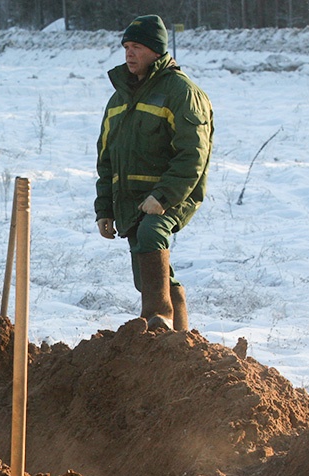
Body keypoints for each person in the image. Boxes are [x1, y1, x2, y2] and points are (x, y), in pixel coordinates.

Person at [95, 14, 213, 331]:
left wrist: (162, 196)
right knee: (143, 275)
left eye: (137, 47)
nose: (129, 54)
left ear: (156, 51)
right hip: (130, 199)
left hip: (173, 193)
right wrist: (105, 208)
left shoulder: (180, 92)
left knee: (151, 234)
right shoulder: (118, 100)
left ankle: (158, 319)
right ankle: (181, 339)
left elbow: (193, 154)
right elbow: (106, 160)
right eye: (126, 47)